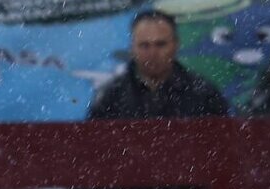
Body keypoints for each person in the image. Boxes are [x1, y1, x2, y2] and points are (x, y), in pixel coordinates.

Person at [87, 10, 228, 120]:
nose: (152, 53)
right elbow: (97, 150)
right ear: (132, 48)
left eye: (160, 44)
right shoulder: (111, 97)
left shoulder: (204, 94)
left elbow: (220, 148)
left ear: (176, 45)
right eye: (144, 45)